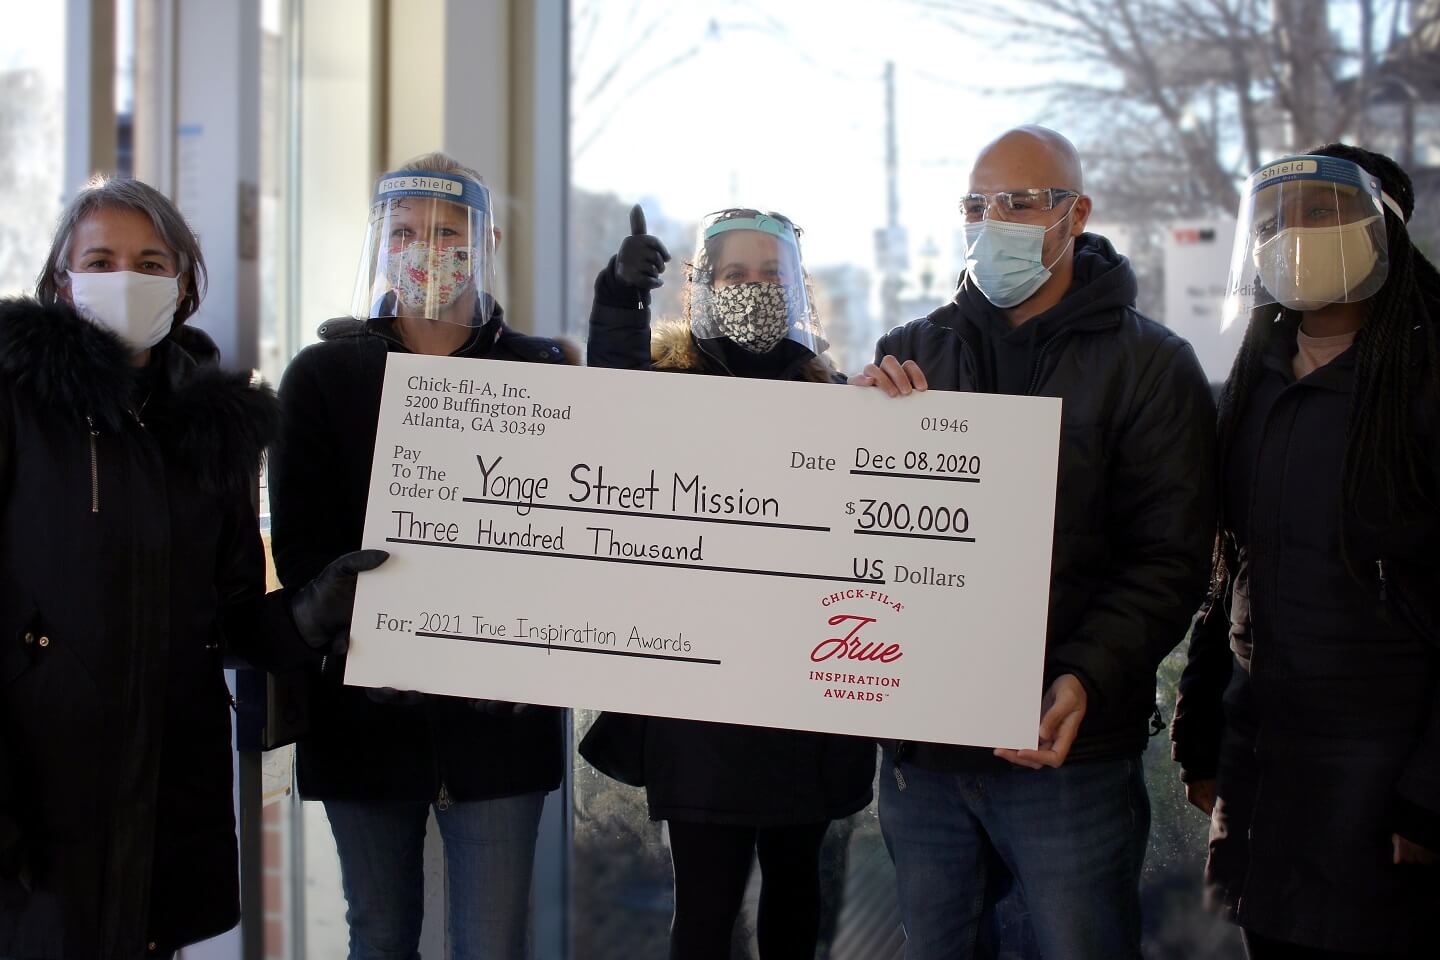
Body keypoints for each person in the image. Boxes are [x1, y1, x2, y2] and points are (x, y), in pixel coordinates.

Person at [855, 125, 1217, 959]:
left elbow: (1168, 557)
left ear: (1075, 215)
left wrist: (1085, 674)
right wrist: (855, 422)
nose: (996, 222)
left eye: (1021, 203)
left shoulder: (1154, 366)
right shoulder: (908, 354)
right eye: (978, 206)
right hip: (923, 759)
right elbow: (859, 528)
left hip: (1067, 756)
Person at [0, 177, 378, 960]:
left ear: (182, 284)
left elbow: (233, 617)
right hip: (35, 795)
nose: (125, 279)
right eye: (100, 259)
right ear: (60, 281)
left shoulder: (213, 429)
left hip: (167, 789)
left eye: (149, 261)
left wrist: (311, 612)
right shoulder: (15, 403)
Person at [268, 152, 573, 960]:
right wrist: (336, 609)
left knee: (494, 943)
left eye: (446, 231)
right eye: (404, 230)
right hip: (361, 716)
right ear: (378, 239)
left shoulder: (543, 375)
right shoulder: (321, 378)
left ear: (486, 241)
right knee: (378, 933)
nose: (425, 247)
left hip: (503, 727)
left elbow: (579, 549)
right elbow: (301, 549)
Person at [583, 205, 877, 960]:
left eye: (769, 275)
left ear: (798, 290)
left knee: (795, 897)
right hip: (700, 706)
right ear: (701, 288)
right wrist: (618, 295)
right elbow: (607, 402)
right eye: (735, 274)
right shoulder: (664, 387)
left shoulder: (838, 400)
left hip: (802, 699)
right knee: (706, 910)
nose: (753, 288)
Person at [1171, 145, 1440, 959]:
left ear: (1380, 229)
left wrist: (1430, 795)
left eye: (1321, 213)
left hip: (1385, 779)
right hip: (1265, 765)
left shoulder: (1424, 384)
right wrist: (1202, 729)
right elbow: (1234, 568)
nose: (1295, 234)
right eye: (1277, 218)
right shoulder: (1251, 384)